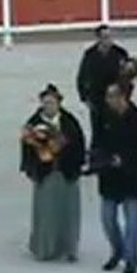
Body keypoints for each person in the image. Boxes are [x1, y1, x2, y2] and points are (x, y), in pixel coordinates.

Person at [94, 82, 137, 273]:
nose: (108, 100)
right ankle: (117, 249)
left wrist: (126, 159)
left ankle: (131, 258)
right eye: (107, 96)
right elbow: (97, 142)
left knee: (132, 220)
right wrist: (100, 159)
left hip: (131, 174)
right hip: (109, 174)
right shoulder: (103, 117)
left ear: (123, 97)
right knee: (107, 218)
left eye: (112, 96)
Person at [20, 84, 86, 262]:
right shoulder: (33, 124)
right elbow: (26, 150)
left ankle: (69, 248)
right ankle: (44, 248)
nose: (49, 106)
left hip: (66, 173)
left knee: (68, 212)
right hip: (46, 174)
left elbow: (79, 145)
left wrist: (76, 165)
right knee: (46, 213)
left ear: (59, 103)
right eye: (45, 103)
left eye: (52, 102)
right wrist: (32, 167)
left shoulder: (70, 122)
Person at [76, 24, 129, 147]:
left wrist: (125, 97)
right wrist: (84, 98)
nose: (108, 40)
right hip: (97, 99)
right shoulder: (90, 55)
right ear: (98, 39)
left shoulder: (120, 53)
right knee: (98, 131)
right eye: (105, 37)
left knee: (118, 129)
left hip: (116, 99)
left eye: (109, 37)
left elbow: (128, 77)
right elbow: (82, 77)